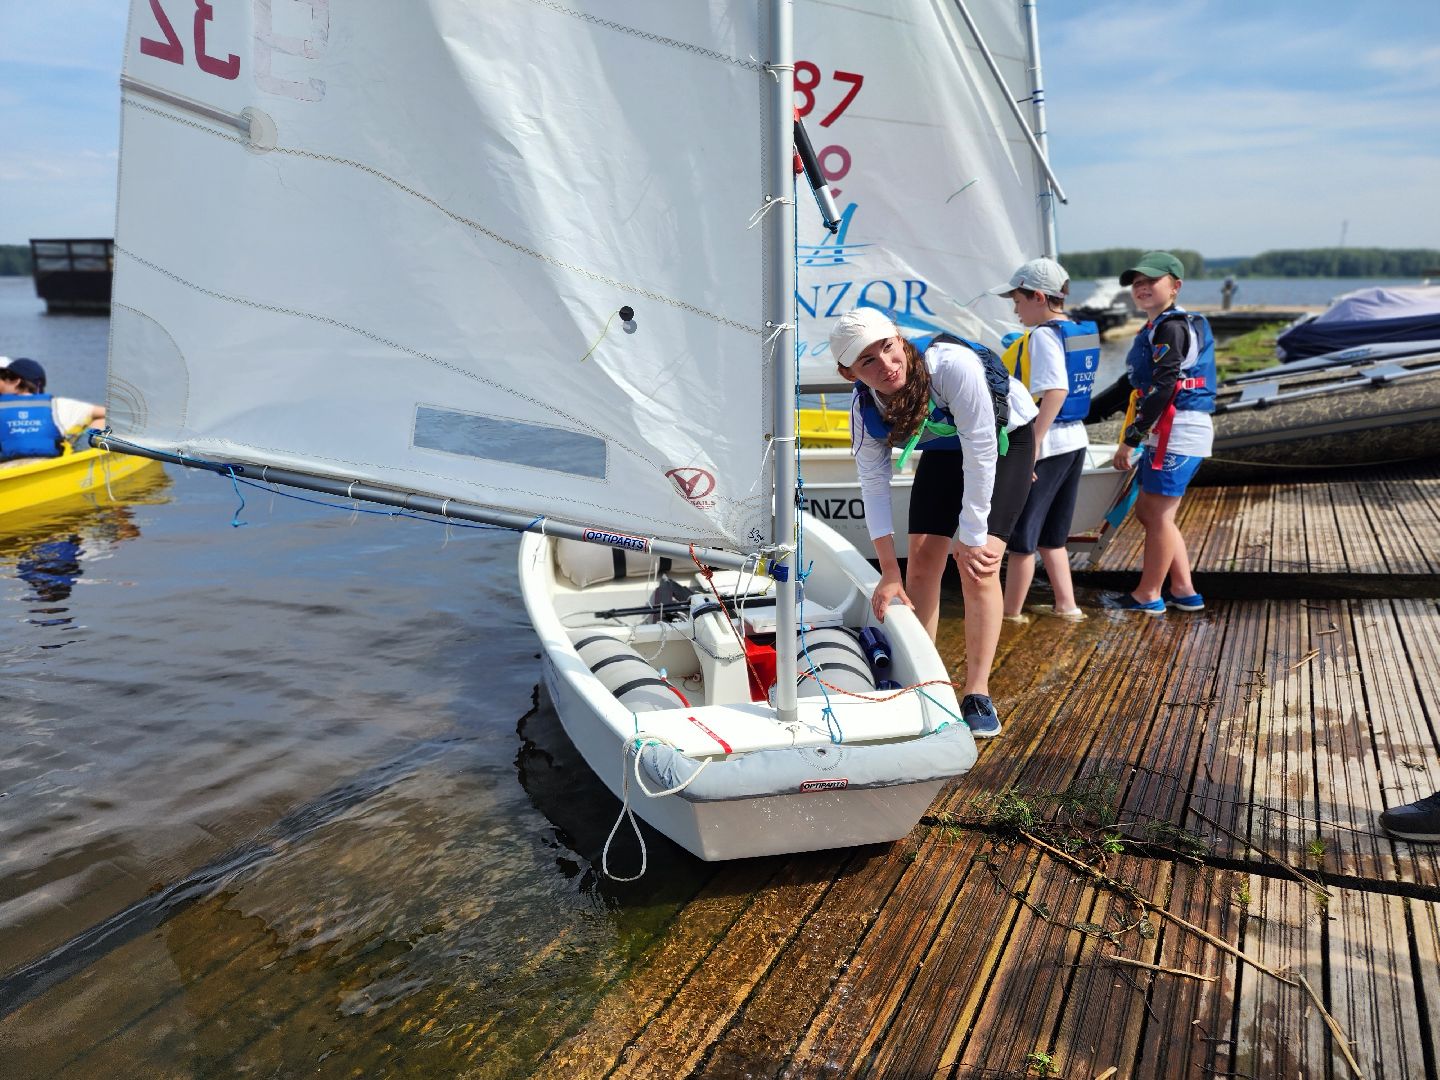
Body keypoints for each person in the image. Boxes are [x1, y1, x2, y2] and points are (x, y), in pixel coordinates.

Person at [829, 307, 1038, 738]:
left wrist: (973, 534)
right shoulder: (863, 408)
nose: (886, 365)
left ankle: (977, 692)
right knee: (920, 563)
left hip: (1004, 441)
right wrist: (888, 571)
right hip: (947, 449)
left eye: (888, 348)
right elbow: (873, 483)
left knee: (978, 566)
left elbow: (981, 449)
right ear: (849, 373)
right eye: (867, 361)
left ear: (899, 340)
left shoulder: (950, 366)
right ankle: (927, 680)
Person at [992, 258, 1099, 623]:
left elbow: (1054, 391)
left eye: (1018, 301)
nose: (1015, 309)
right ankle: (1066, 605)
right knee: (1053, 534)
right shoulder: (1078, 331)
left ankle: (1010, 614)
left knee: (1022, 535)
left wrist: (1032, 446)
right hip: (1075, 440)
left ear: (1038, 297)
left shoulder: (1041, 336)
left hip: (1050, 443)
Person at [1109, 252, 1215, 614]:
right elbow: (1136, 383)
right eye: (1137, 283)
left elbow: (1165, 387)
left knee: (1156, 514)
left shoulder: (1171, 327)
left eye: (1151, 281)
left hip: (1179, 428)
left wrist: (1131, 439)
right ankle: (1184, 589)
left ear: (1175, 286)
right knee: (1152, 512)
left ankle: (1148, 593)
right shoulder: (1158, 326)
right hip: (1171, 429)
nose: (1142, 288)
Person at [0, 357, 106, 462]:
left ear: (16, 381)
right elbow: (107, 414)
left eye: (4, 378)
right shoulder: (57, 404)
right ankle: (81, 456)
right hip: (48, 466)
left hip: (7, 471)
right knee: (101, 422)